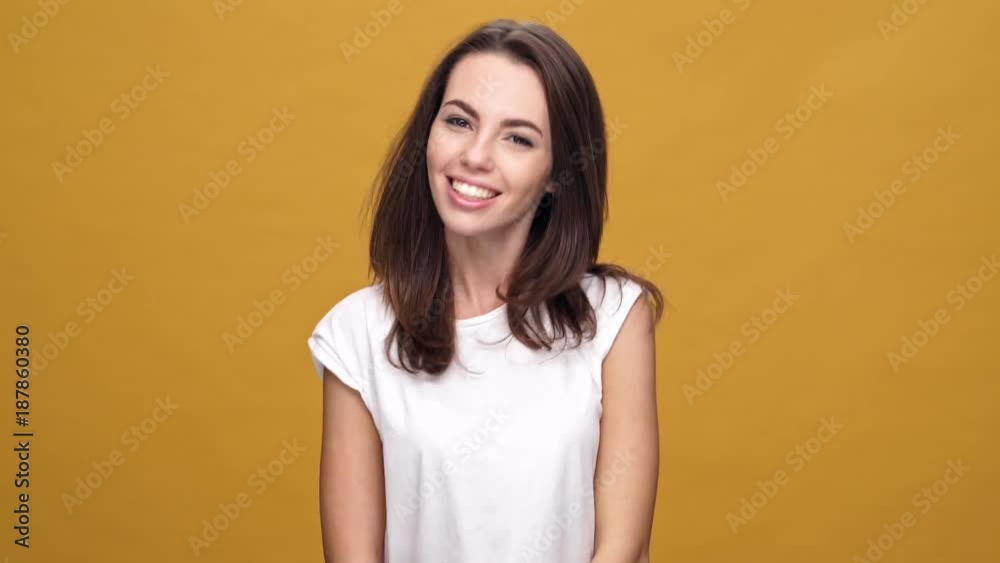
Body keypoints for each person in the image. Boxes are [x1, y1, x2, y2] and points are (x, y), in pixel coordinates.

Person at [307, 18, 665, 563]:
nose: (475, 156)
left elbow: (624, 547)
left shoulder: (613, 317)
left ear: (556, 173)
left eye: (517, 138)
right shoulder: (356, 335)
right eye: (459, 121)